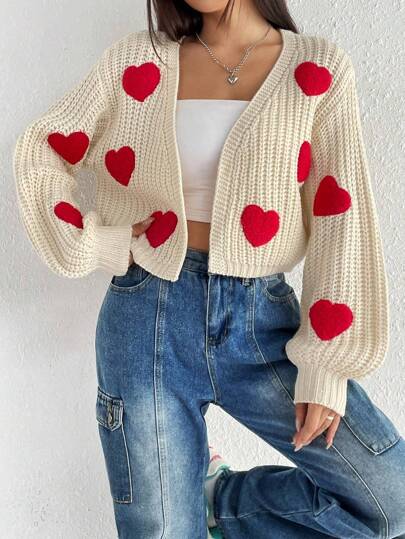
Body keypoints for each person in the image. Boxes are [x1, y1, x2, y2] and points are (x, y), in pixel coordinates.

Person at [13, 1, 405, 538]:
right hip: (146, 318)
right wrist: (95, 243)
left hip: (262, 323)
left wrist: (327, 365)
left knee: (391, 501)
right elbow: (42, 150)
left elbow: (341, 216)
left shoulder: (316, 69)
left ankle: (217, 501)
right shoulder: (136, 61)